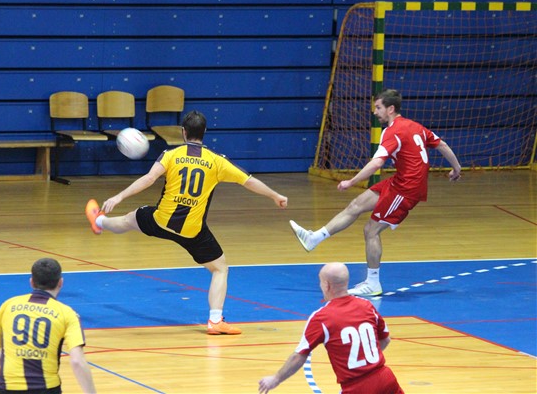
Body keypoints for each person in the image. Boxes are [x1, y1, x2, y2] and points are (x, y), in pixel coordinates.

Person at [85, 110, 288, 335]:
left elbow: (149, 179)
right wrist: (275, 195)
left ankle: (99, 221)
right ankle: (215, 320)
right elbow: (249, 182)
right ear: (205, 132)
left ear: (183, 132)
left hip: (161, 220)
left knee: (129, 219)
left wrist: (119, 197)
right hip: (192, 231)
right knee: (220, 268)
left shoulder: (171, 155)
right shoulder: (216, 161)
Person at [290, 89, 461, 296]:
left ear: (391, 109)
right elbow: (441, 144)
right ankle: (314, 238)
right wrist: (456, 168)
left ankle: (373, 283)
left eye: (378, 107)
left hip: (407, 189)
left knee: (371, 230)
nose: (374, 112)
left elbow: (377, 163)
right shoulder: (415, 126)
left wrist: (352, 181)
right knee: (356, 205)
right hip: (400, 181)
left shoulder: (392, 131)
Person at [258, 262, 404, 394]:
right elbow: (385, 340)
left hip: (356, 387)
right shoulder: (367, 306)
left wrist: (276, 379)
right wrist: (365, 360)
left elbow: (299, 356)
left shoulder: (321, 318)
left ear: (327, 285)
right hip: (385, 379)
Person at [0, 258, 96, 394]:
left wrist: (18, 361)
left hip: (8, 389)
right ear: (60, 282)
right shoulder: (67, 314)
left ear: (31, 282)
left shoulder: (8, 305)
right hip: (46, 390)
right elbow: (77, 361)